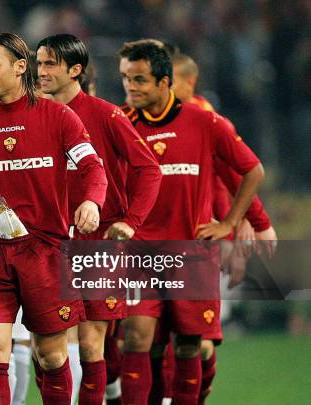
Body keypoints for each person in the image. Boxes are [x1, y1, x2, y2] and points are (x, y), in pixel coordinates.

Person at [0, 32, 108, 404]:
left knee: (50, 355)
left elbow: (93, 168)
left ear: (19, 67)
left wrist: (92, 202)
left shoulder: (59, 116)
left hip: (45, 251)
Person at [118, 39, 265, 405]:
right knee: (137, 337)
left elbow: (251, 170)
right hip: (140, 252)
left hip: (191, 252)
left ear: (164, 82)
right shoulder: (120, 124)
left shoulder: (204, 121)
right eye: (126, 79)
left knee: (189, 346)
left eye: (139, 80)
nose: (131, 88)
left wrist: (229, 222)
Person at [36, 33, 162, 405]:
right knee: (48, 348)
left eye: (50, 64)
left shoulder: (106, 115)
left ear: (75, 70)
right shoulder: (31, 115)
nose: (41, 71)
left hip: (97, 245)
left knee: (91, 342)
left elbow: (149, 169)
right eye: (39, 63)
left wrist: (131, 221)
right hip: (46, 241)